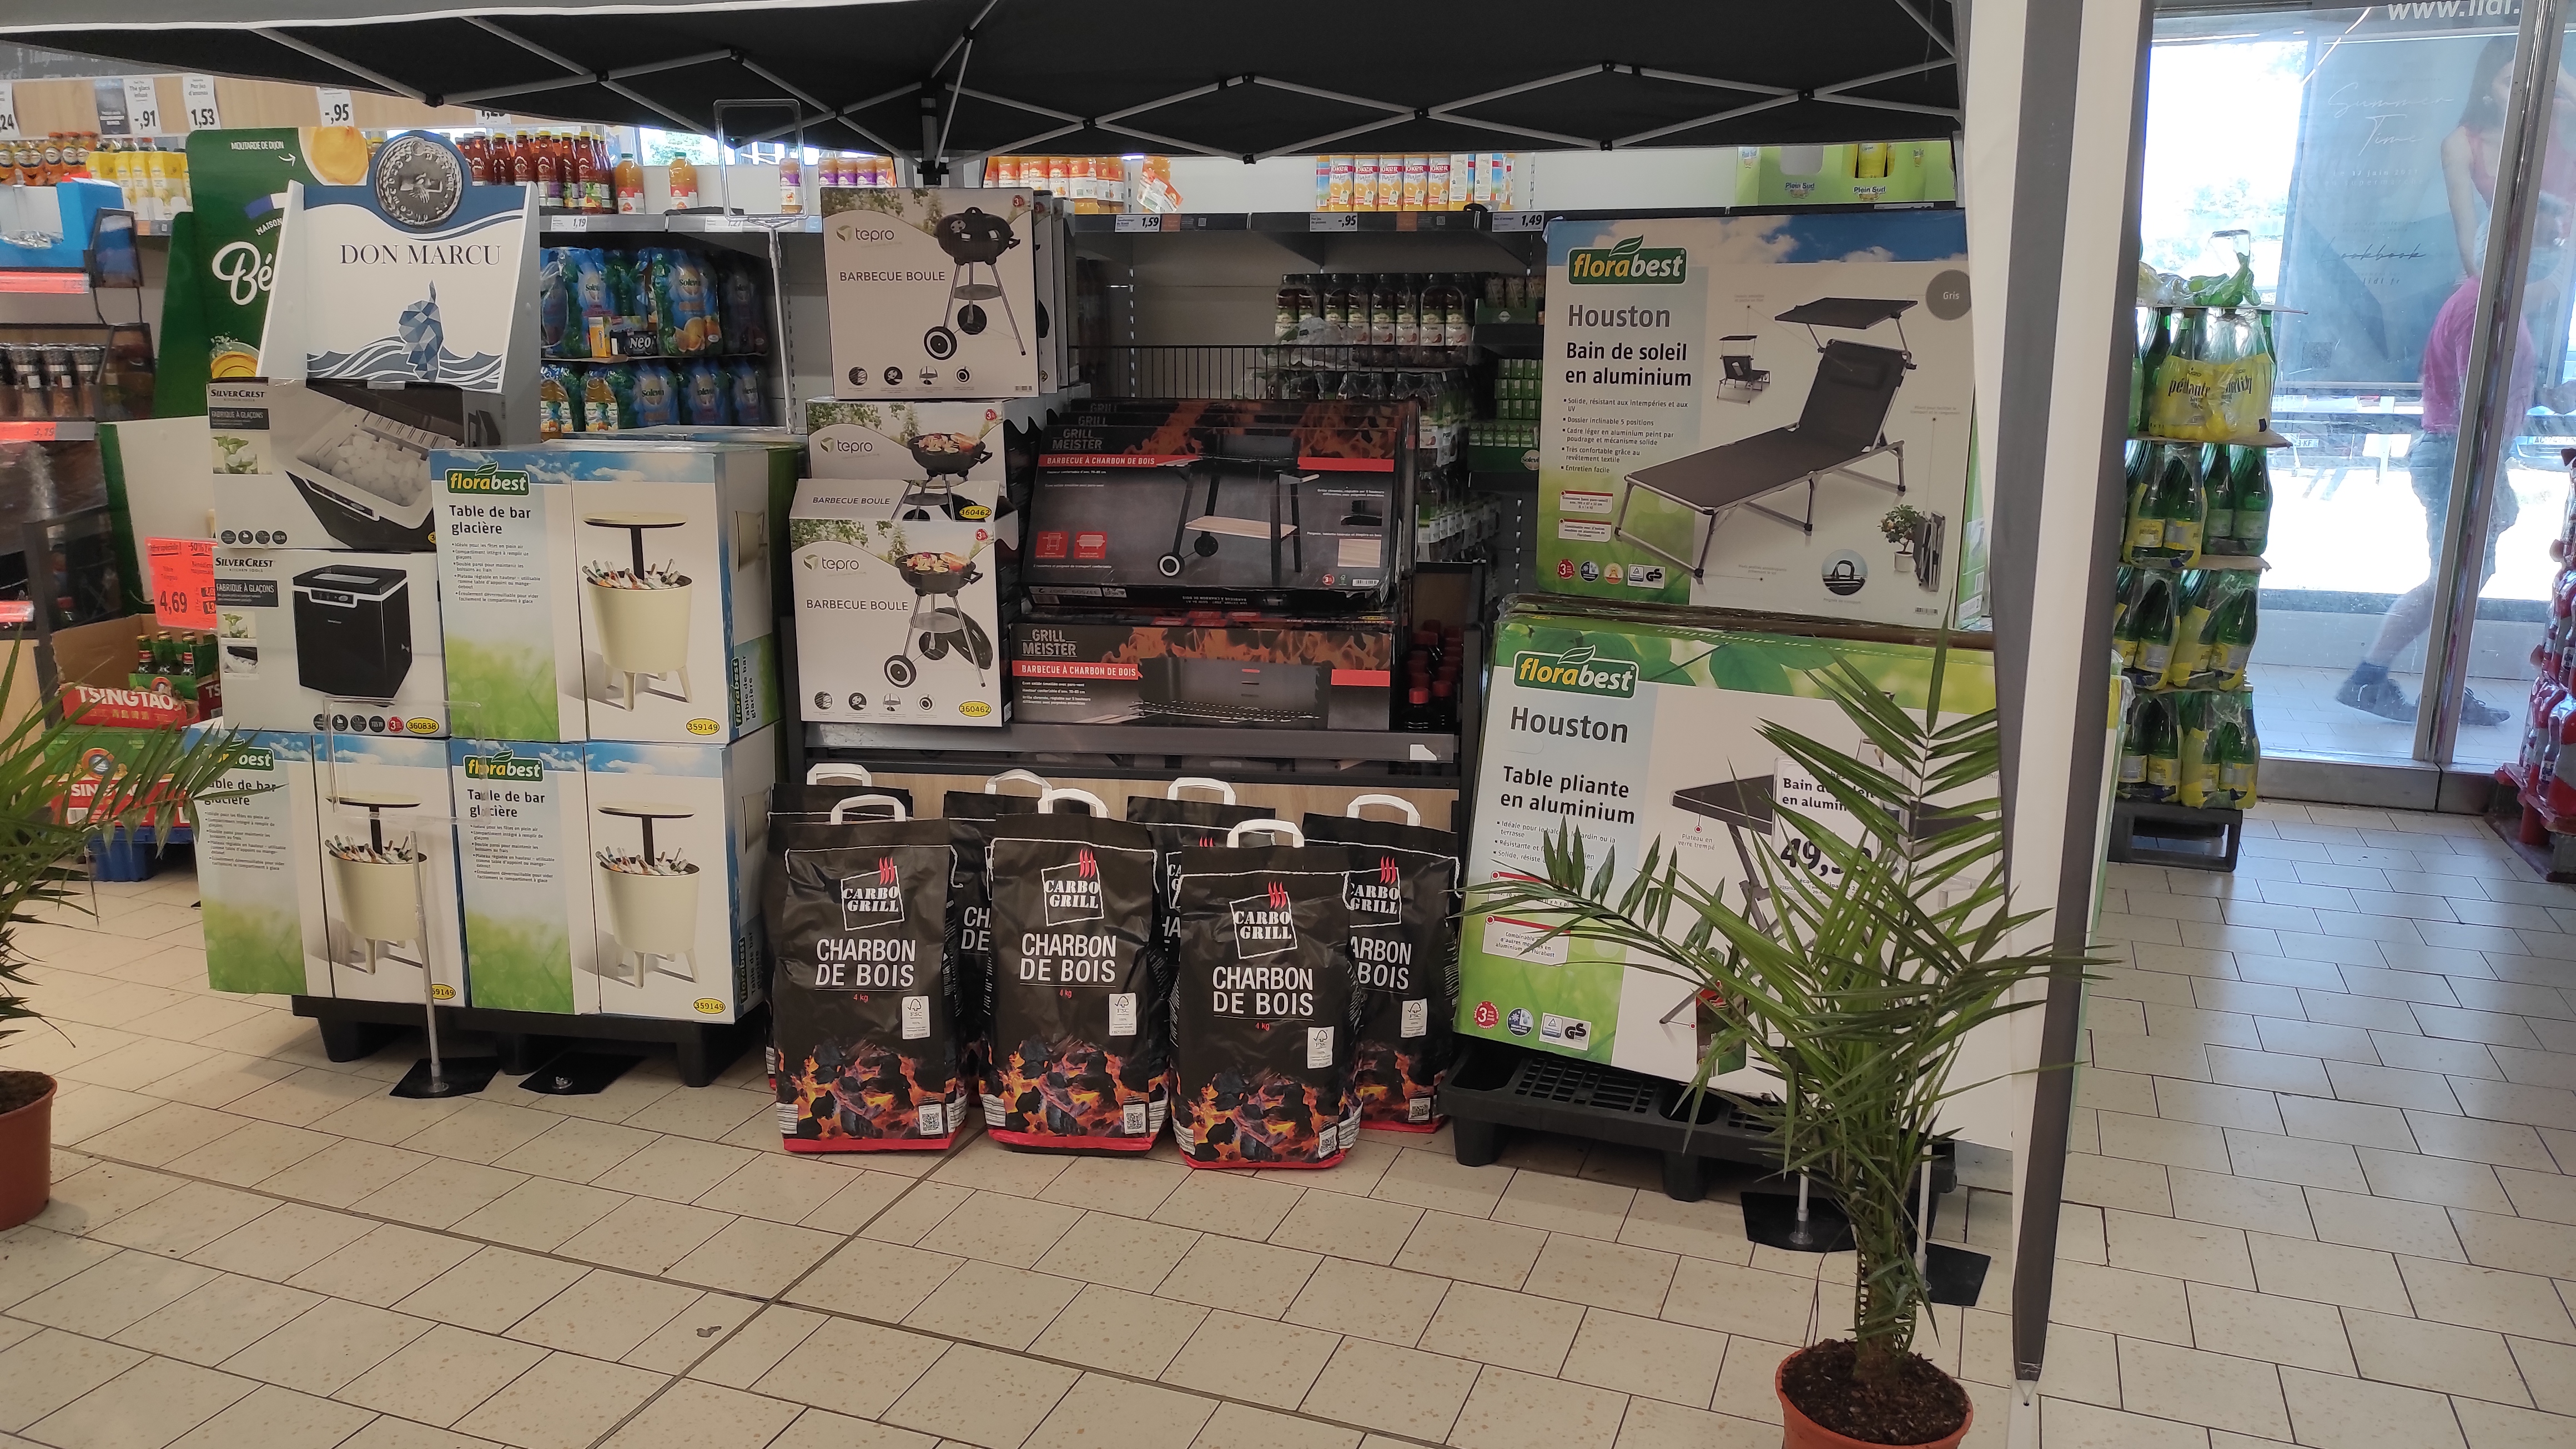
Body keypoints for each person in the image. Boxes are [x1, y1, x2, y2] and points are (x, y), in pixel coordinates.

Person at [2334, 273, 2527, 725]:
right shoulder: (2481, 307)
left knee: (2461, 578)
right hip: (2459, 454)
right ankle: (2374, 678)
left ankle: (2434, 685)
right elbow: (2475, 399)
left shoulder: (2492, 304)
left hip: (2462, 453)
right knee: (2451, 580)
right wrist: (2492, 476)